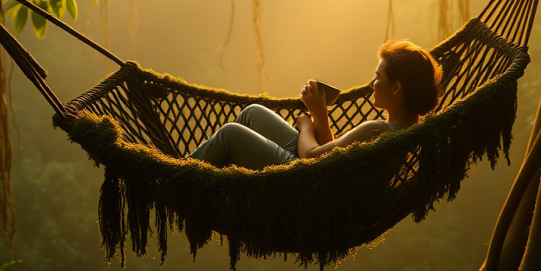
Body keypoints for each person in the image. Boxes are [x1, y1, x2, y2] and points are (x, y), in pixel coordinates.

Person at [188, 39, 442, 170]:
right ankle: (208, 175)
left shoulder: (378, 131)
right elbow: (332, 160)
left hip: (302, 188)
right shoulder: (404, 130)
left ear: (396, 88)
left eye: (378, 77)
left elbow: (311, 158)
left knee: (230, 134)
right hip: (319, 181)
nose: (371, 83)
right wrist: (319, 114)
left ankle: (177, 177)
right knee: (252, 113)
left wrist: (307, 127)